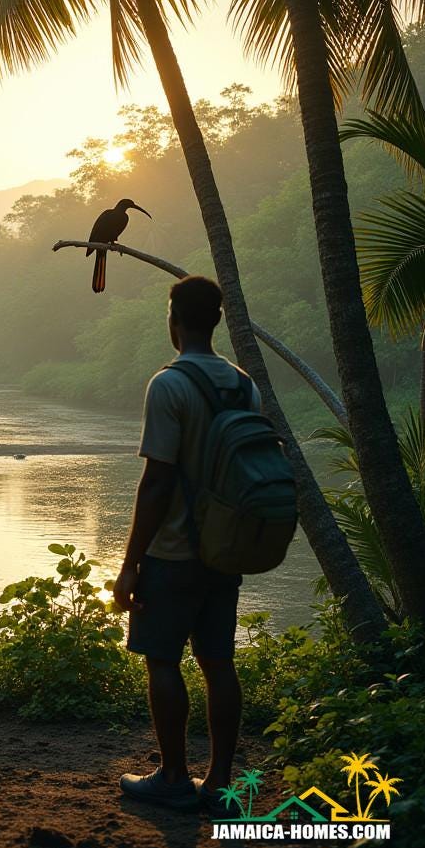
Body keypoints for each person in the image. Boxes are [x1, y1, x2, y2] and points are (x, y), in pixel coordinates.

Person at [112, 276, 257, 814]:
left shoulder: (168, 384)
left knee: (163, 661)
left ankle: (173, 777)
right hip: (226, 550)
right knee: (219, 661)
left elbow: (157, 481)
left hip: (172, 553)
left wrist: (129, 565)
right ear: (217, 320)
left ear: (173, 319)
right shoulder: (245, 386)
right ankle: (219, 784)